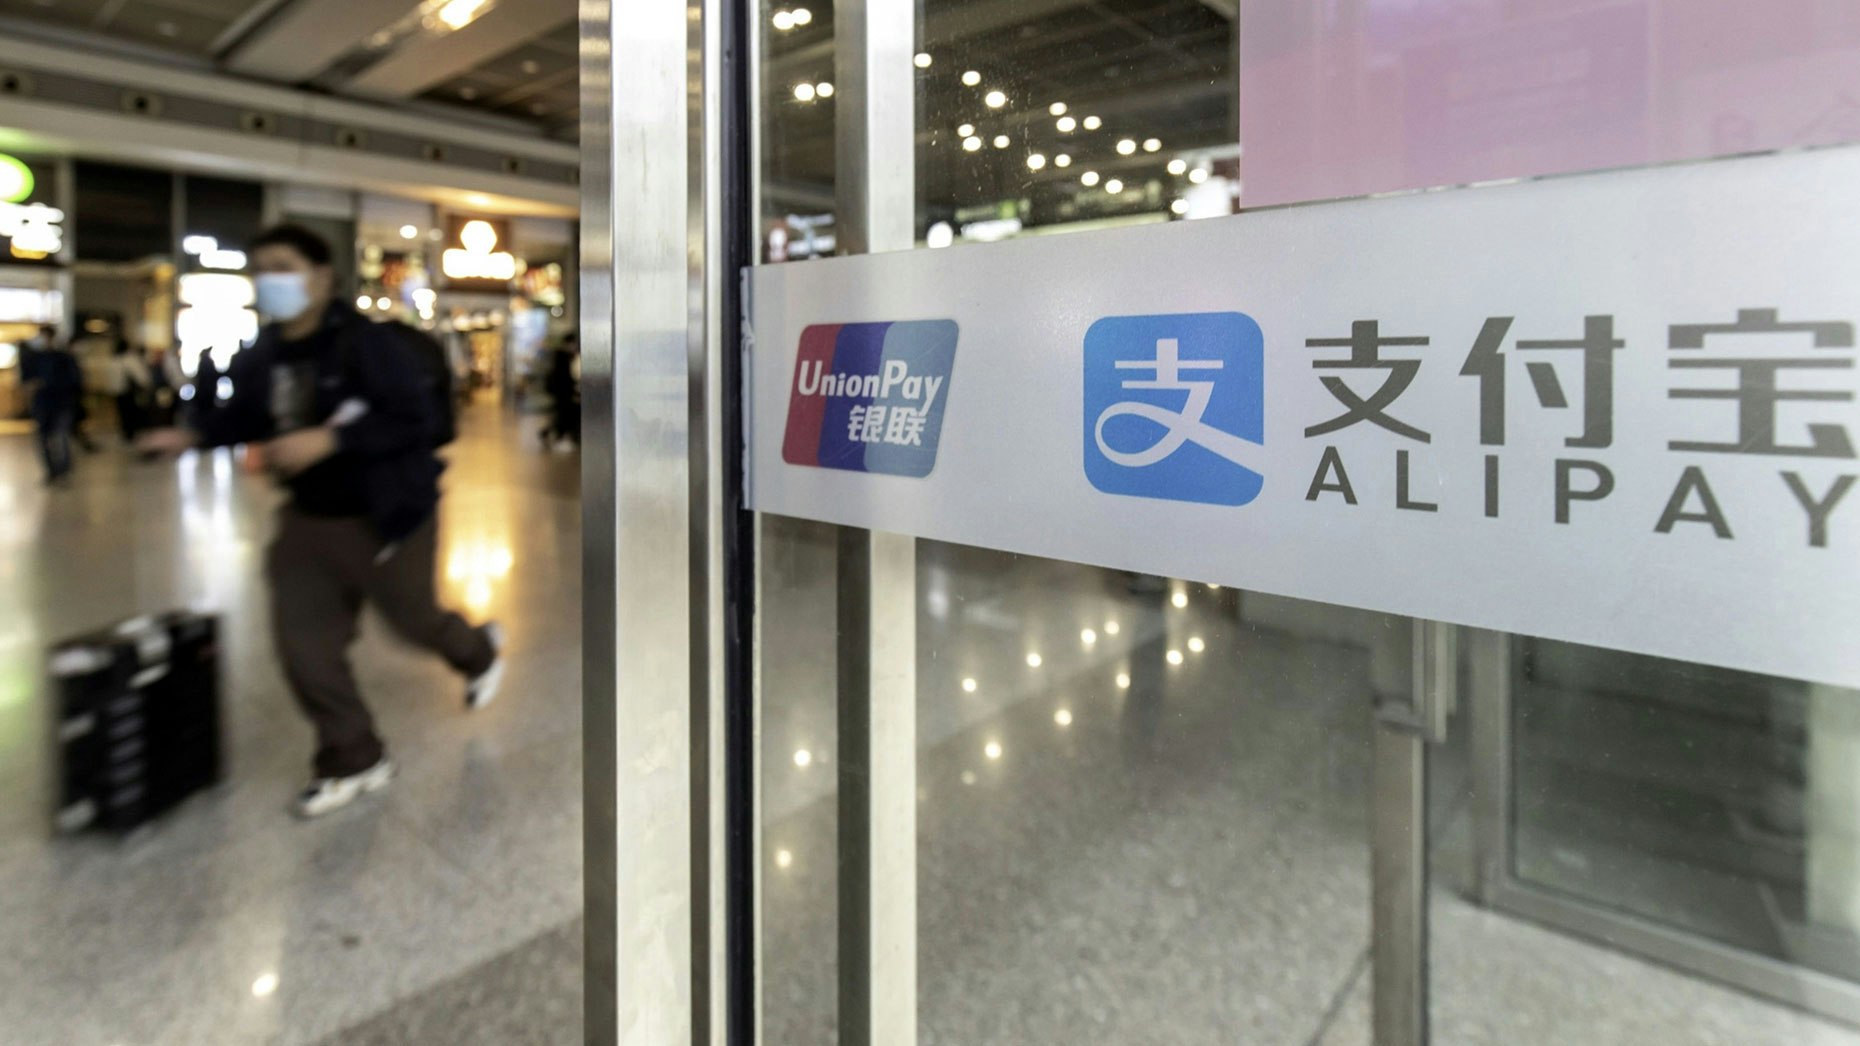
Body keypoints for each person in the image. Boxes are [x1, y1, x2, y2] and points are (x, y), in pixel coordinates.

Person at [139, 224, 505, 818]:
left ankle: (478, 652)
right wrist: (191, 436)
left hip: (387, 513)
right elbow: (246, 417)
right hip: (308, 519)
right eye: (262, 268)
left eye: (283, 266)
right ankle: (354, 755)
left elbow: (414, 418)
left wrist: (332, 439)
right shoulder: (265, 351)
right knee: (304, 647)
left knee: (414, 620)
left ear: (322, 277)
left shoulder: (367, 344)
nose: (270, 280)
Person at [18, 325, 81, 485]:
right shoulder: (34, 358)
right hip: (42, 404)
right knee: (43, 439)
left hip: (62, 403)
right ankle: (51, 471)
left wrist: (48, 383)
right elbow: (26, 381)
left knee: (61, 437)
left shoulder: (63, 358)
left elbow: (74, 380)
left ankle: (64, 471)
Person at [106, 337, 153, 442]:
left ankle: (127, 433)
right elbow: (141, 376)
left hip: (117, 392)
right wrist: (146, 385)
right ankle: (132, 434)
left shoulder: (113, 360)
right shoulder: (129, 359)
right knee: (131, 413)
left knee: (123, 414)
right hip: (128, 392)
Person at [539, 332, 580, 448]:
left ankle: (551, 434)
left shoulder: (563, 357)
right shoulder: (564, 358)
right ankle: (554, 435)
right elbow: (566, 378)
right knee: (563, 417)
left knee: (562, 416)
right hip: (564, 393)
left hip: (562, 393)